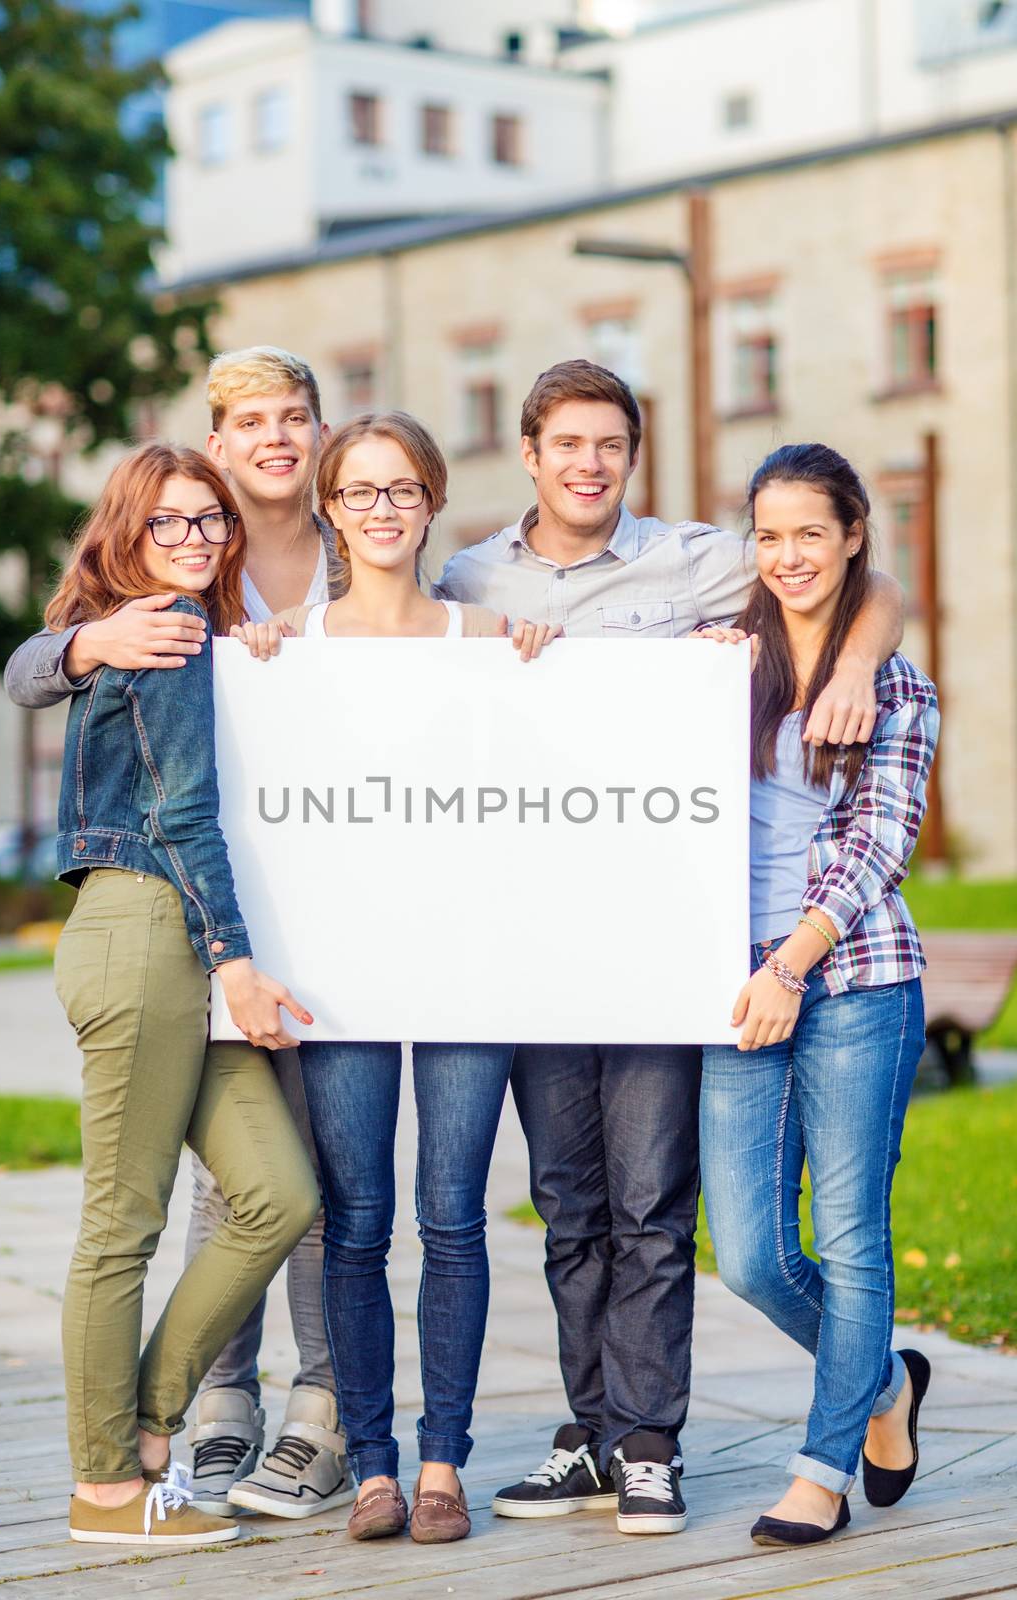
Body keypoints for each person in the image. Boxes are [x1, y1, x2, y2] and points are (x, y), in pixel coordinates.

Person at [436, 360, 907, 1537]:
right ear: (532, 452)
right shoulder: (470, 577)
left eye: (612, 444)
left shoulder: (708, 568)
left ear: (630, 456)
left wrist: (853, 660)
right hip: (562, 945)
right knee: (625, 1216)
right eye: (568, 443)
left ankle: (728, 1450)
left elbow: (857, 585)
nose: (589, 463)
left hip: (740, 965)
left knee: (704, 1213)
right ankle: (605, 1432)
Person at [4, 347, 351, 1523]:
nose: (200, 535)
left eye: (210, 520)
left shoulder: (185, 630)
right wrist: (235, 963)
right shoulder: (154, 635)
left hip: (176, 938)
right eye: (173, 521)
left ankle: (150, 1416)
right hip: (149, 931)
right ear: (131, 532)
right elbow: (179, 816)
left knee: (275, 1193)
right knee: (125, 1218)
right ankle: (106, 1481)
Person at [234, 410, 556, 1546]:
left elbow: (548, 791)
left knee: (452, 1217)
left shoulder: (494, 640)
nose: (380, 509)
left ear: (430, 503)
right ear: (328, 509)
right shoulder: (285, 648)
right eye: (358, 491)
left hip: (467, 967)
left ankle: (441, 1464)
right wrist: (261, 664)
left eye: (400, 489)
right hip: (342, 977)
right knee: (357, 1220)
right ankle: (369, 1461)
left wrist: (545, 675)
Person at [696, 443, 937, 1547]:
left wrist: (791, 961)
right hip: (736, 984)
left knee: (848, 1236)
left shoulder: (892, 681)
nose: (786, 554)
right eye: (768, 534)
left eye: (809, 532)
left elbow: (879, 842)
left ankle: (819, 1466)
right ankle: (881, 1381)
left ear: (850, 538)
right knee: (747, 1251)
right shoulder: (719, 665)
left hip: (849, 978)